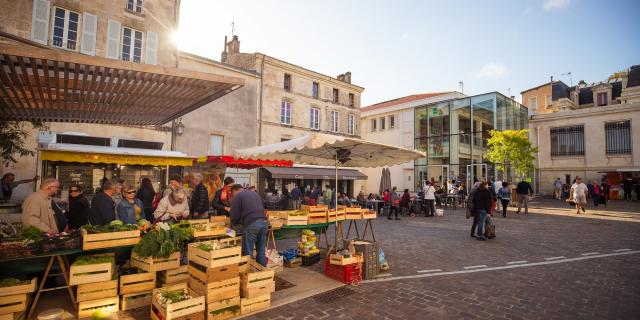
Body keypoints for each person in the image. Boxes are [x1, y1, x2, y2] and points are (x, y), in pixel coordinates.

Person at [230, 184, 268, 267]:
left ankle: (249, 273)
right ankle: (263, 274)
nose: (233, 196)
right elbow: (263, 206)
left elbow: (234, 215)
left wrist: (232, 225)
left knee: (248, 252)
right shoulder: (254, 193)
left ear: (235, 191)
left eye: (232, 194)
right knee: (261, 252)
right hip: (264, 222)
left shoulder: (238, 196)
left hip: (252, 224)